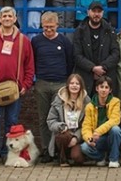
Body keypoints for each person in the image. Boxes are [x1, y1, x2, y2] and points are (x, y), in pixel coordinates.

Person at [0, 6, 36, 164]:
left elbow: (29, 66)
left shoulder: (24, 40)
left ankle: (7, 153)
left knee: (12, 123)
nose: (7, 19)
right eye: (4, 16)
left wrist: (26, 84)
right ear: (0, 19)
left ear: (15, 18)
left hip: (15, 90)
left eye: (10, 16)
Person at [31, 11, 75, 161]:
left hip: (60, 84)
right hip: (42, 83)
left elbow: (70, 62)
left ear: (57, 25)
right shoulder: (36, 41)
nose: (49, 30)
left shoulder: (64, 41)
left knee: (58, 118)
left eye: (51, 27)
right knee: (43, 118)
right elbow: (33, 61)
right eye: (45, 27)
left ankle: (57, 150)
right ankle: (45, 150)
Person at [72, 1, 121, 88]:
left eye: (99, 12)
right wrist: (93, 68)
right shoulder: (79, 31)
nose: (96, 14)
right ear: (88, 12)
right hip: (85, 77)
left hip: (106, 77)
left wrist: (103, 67)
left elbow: (116, 53)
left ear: (103, 13)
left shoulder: (110, 30)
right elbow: (77, 55)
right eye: (94, 11)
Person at [80, 77, 121, 168]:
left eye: (106, 87)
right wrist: (89, 138)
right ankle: (101, 157)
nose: (104, 90)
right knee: (84, 147)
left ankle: (114, 159)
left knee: (116, 129)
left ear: (110, 90)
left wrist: (98, 131)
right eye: (101, 87)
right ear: (97, 88)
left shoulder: (115, 102)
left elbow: (115, 120)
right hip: (98, 139)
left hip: (111, 136)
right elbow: (86, 126)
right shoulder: (89, 106)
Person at [46, 73, 89, 166]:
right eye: (72, 83)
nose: (74, 85)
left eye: (77, 84)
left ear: (81, 86)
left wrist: (76, 138)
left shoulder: (87, 101)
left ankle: (75, 155)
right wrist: (60, 126)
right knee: (62, 136)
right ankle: (62, 159)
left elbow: (88, 124)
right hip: (64, 133)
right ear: (67, 85)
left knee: (77, 157)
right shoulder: (58, 100)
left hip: (78, 135)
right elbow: (50, 120)